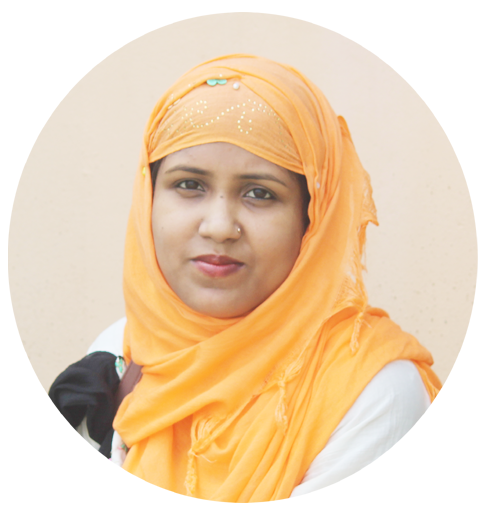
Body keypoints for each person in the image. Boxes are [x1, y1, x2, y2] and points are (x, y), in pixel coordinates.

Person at [49, 54, 441, 502]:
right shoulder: (121, 349)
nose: (219, 227)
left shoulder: (371, 391)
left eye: (260, 193)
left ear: (310, 219)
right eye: (189, 185)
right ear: (148, 198)